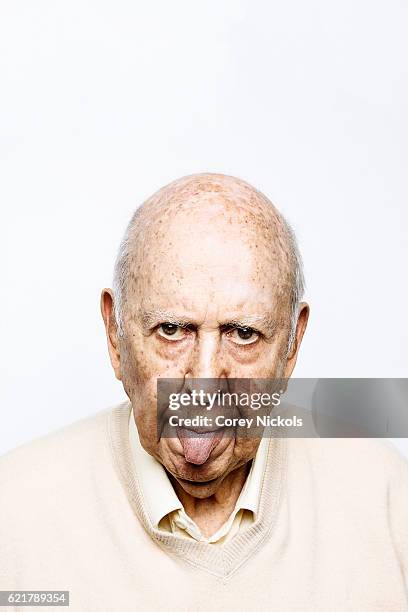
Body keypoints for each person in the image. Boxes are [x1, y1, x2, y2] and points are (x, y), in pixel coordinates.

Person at [1, 173, 407, 611]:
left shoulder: (387, 497)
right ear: (115, 335)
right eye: (172, 330)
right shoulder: (13, 510)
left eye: (244, 334)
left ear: (292, 344)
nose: (206, 379)